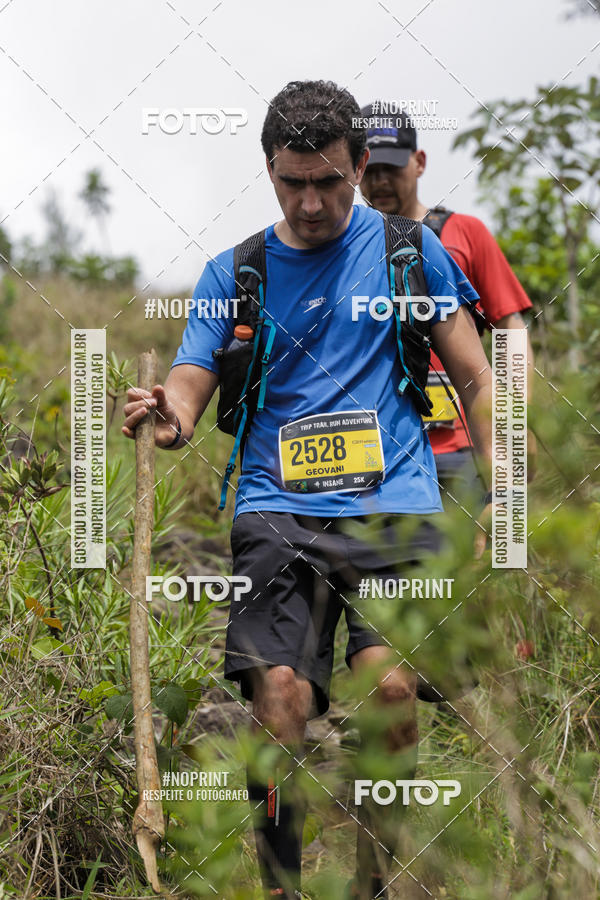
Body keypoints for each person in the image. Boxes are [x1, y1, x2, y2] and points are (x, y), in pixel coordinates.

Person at [123, 80, 493, 900]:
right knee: (280, 702)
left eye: (329, 180)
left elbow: (474, 375)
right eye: (293, 183)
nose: (312, 202)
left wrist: (502, 489)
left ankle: (376, 877)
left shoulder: (409, 253)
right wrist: (168, 415)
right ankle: (282, 884)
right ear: (269, 170)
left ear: (360, 165)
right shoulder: (235, 273)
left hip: (395, 505)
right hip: (277, 508)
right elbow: (189, 382)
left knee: (391, 690)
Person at [359, 102, 534, 497]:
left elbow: (510, 331)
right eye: (371, 170)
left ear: (419, 162)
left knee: (493, 533)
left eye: (392, 168)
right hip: (379, 457)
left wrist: (516, 423)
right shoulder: (348, 252)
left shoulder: (464, 233)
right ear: (355, 170)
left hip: (464, 447)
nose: (381, 181)